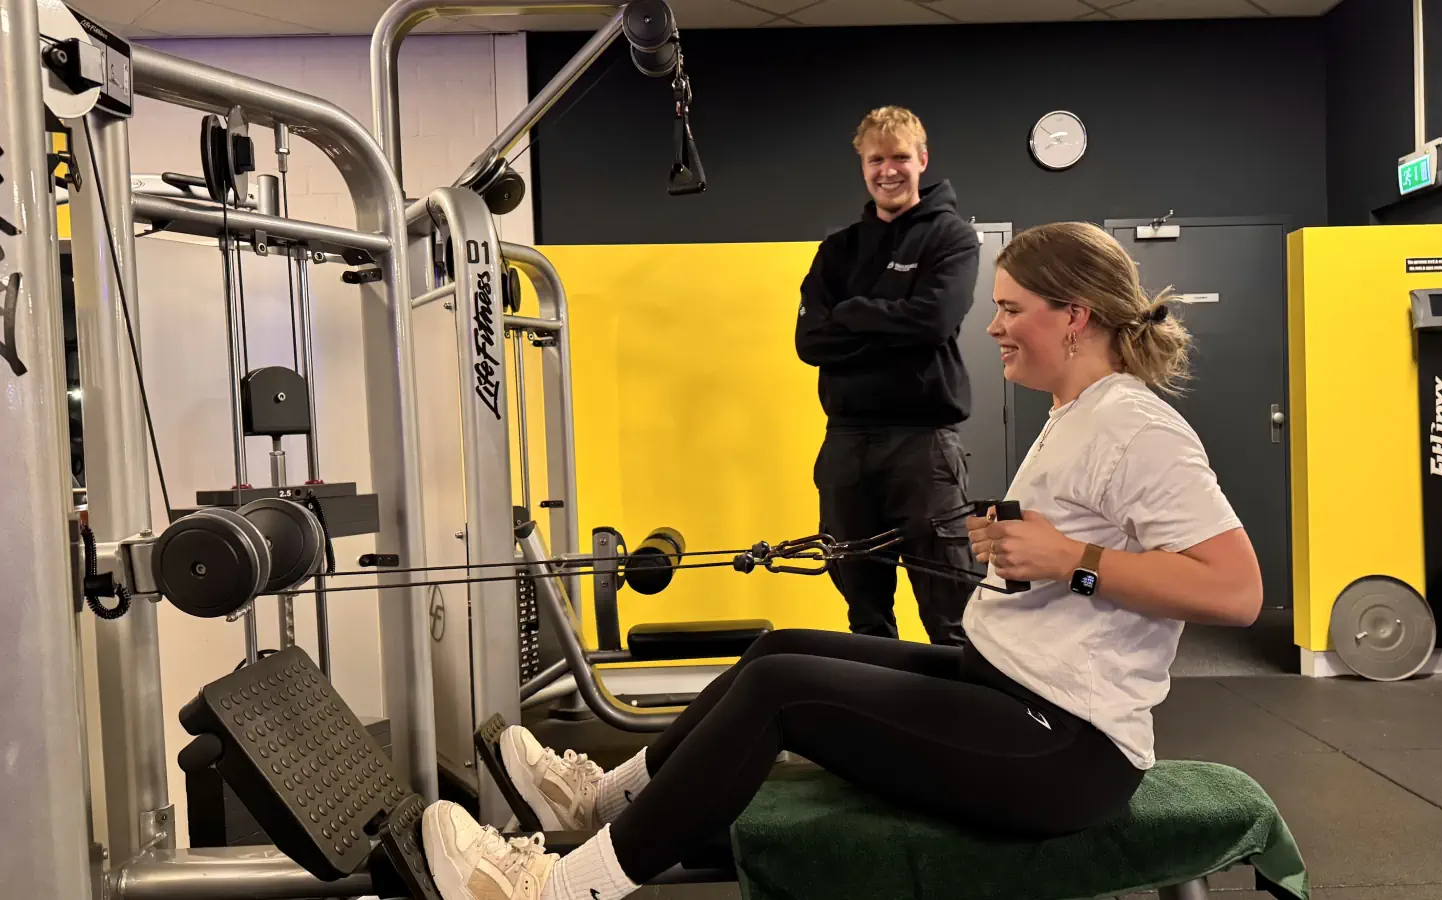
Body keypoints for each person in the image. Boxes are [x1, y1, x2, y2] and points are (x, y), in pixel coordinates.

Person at [419, 221, 1264, 900]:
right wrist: (1031, 550)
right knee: (782, 650)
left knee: (782, 695)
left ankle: (560, 889)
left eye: (1012, 309)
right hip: (1006, 685)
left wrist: (1072, 558)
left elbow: (1235, 591)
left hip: (1068, 751)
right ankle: (596, 798)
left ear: (1074, 314)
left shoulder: (1135, 425)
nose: (994, 326)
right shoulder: (1073, 411)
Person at [794, 105, 982, 647]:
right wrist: (889, 320)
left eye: (900, 157)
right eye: (877, 159)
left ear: (922, 160)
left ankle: (964, 724)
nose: (888, 170)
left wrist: (852, 312)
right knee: (863, 606)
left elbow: (933, 321)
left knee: (950, 606)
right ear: (863, 166)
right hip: (846, 444)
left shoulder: (950, 238)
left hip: (922, 445)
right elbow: (811, 343)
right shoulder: (838, 251)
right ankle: (880, 717)